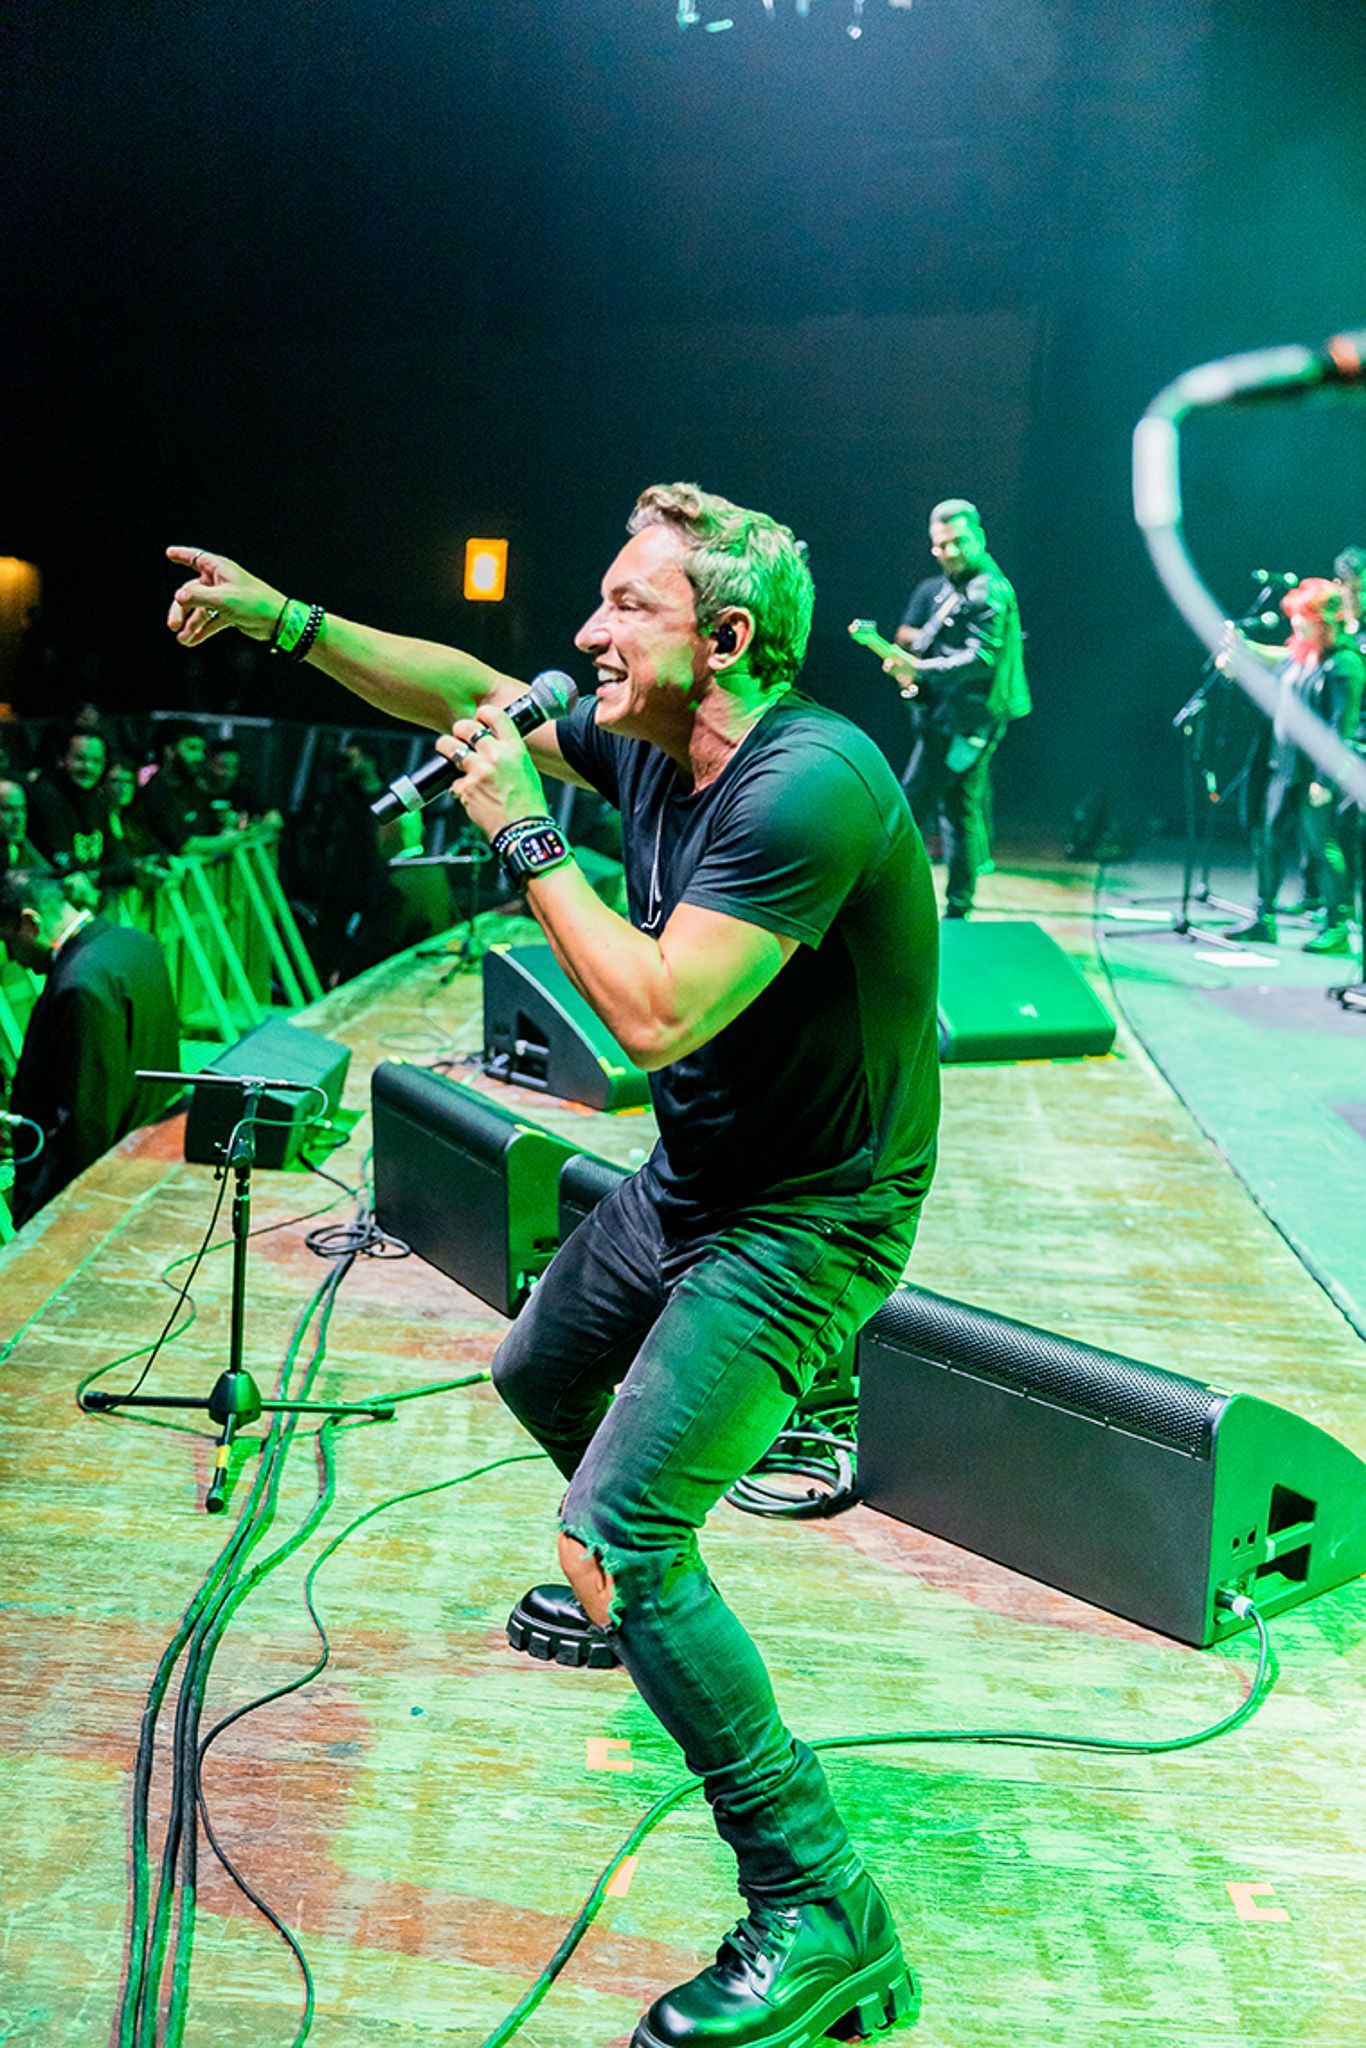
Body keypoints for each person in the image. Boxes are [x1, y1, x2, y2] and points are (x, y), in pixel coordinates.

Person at [166, 488, 940, 2048]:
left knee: (627, 1530)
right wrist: (286, 622)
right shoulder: (653, 744)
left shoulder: (807, 790)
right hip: (698, 1179)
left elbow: (653, 1017)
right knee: (537, 1369)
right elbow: (463, 690)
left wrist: (521, 830)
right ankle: (636, 1579)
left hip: (810, 1220)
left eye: (622, 607)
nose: (585, 633)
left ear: (720, 638)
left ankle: (825, 1912)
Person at [0, 869, 179, 1226]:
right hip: (151, 1160)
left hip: (100, 1198)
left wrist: (40, 1215)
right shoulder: (137, 943)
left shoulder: (79, 985)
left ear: (29, 922)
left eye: (9, 943)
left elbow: (85, 1119)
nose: (13, 958)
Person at [886, 498, 1030, 919]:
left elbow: (981, 657)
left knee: (914, 806)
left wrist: (920, 669)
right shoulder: (955, 586)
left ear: (979, 538)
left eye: (958, 542)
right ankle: (958, 907)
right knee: (959, 811)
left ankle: (900, 904)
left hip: (968, 721)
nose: (949, 552)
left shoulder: (987, 588)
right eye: (940, 545)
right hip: (956, 717)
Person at [1222, 578, 1365, 953]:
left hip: (1314, 774)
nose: (1296, 625)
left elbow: (1340, 728)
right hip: (1283, 768)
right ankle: (1262, 918)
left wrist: (1325, 779)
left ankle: (1336, 926)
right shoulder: (1302, 655)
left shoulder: (1345, 664)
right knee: (1267, 840)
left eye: (1304, 617)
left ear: (1323, 620)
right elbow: (1274, 660)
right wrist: (1240, 650)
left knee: (1322, 845)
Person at [24, 727, 134, 894]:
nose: (88, 767)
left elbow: (119, 858)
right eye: (80, 759)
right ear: (61, 759)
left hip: (92, 891)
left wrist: (107, 874)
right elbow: (63, 865)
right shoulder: (45, 798)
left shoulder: (98, 799)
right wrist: (108, 874)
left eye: (96, 761)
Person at [135, 721, 242, 858]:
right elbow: (183, 845)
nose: (200, 757)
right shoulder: (157, 791)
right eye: (192, 748)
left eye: (202, 750)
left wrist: (227, 824)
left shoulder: (192, 788)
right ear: (169, 751)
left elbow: (209, 830)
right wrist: (232, 841)